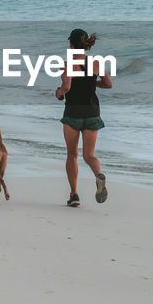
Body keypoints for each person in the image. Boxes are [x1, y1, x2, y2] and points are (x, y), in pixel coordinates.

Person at [54, 28, 112, 207]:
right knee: (89, 155)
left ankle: (74, 195)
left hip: (73, 114)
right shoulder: (96, 63)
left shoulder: (67, 64)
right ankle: (98, 175)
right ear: (86, 44)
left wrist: (58, 93)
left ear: (71, 45)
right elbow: (108, 84)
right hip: (92, 113)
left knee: (72, 155)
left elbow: (67, 86)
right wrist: (92, 82)